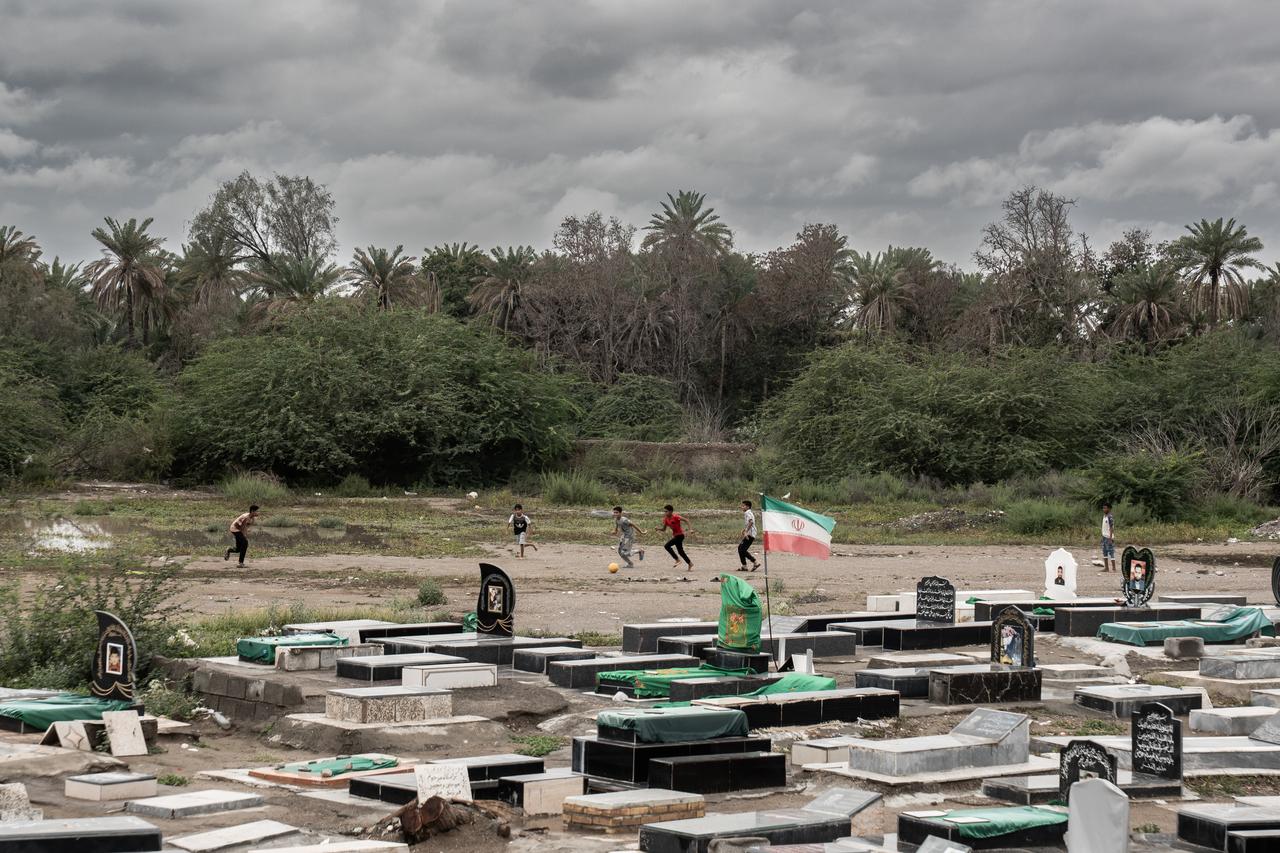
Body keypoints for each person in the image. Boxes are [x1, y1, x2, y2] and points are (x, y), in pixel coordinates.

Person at [656, 504, 693, 574]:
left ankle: (677, 560)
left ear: (671, 511)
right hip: (676, 536)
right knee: (680, 551)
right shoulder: (666, 519)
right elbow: (664, 529)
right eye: (664, 511)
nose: (665, 513)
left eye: (666, 511)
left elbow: (686, 520)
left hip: (680, 535)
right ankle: (690, 563)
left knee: (667, 546)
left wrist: (690, 529)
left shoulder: (676, 517)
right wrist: (658, 529)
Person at [738, 500, 761, 572]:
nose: (742, 507)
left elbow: (751, 522)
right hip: (750, 533)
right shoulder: (747, 513)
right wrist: (744, 530)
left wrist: (746, 531)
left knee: (742, 549)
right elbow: (749, 523)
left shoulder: (748, 513)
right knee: (740, 548)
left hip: (751, 534)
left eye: (743, 506)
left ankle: (755, 562)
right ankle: (744, 566)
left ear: (748, 507)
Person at [1100, 503, 1116, 573]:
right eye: (1103, 508)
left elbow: (1112, 527)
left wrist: (1110, 538)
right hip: (1104, 537)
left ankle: (1114, 568)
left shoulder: (1110, 517)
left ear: (1109, 509)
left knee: (1111, 552)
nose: (1104, 509)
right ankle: (1106, 568)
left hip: (1108, 537)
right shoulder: (1104, 516)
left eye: (1105, 508)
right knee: (1104, 552)